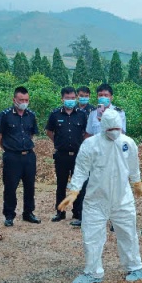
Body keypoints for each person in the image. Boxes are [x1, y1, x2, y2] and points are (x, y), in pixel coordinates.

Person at [59, 110, 142, 283]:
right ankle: (93, 272)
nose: (115, 132)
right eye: (111, 129)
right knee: (91, 236)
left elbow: (133, 165)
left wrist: (137, 182)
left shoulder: (128, 143)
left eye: (117, 129)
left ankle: (135, 267)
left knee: (128, 233)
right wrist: (74, 191)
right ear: (103, 126)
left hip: (122, 199)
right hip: (96, 200)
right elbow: (81, 169)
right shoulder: (91, 144)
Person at [0, 86, 41, 226]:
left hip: (28, 156)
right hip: (12, 157)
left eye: (26, 100)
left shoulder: (31, 115)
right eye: (21, 100)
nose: (24, 102)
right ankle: (9, 215)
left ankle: (28, 213)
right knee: (10, 186)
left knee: (29, 186)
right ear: (14, 99)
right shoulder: (5, 115)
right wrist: (8, 148)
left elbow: (31, 134)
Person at [47, 86, 90, 225]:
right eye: (67, 98)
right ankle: (60, 212)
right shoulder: (55, 114)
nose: (70, 100)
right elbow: (49, 131)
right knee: (61, 184)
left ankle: (78, 212)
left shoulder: (82, 114)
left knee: (78, 185)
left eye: (72, 98)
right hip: (62, 155)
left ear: (75, 98)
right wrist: (58, 142)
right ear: (62, 99)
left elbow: (86, 132)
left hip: (78, 155)